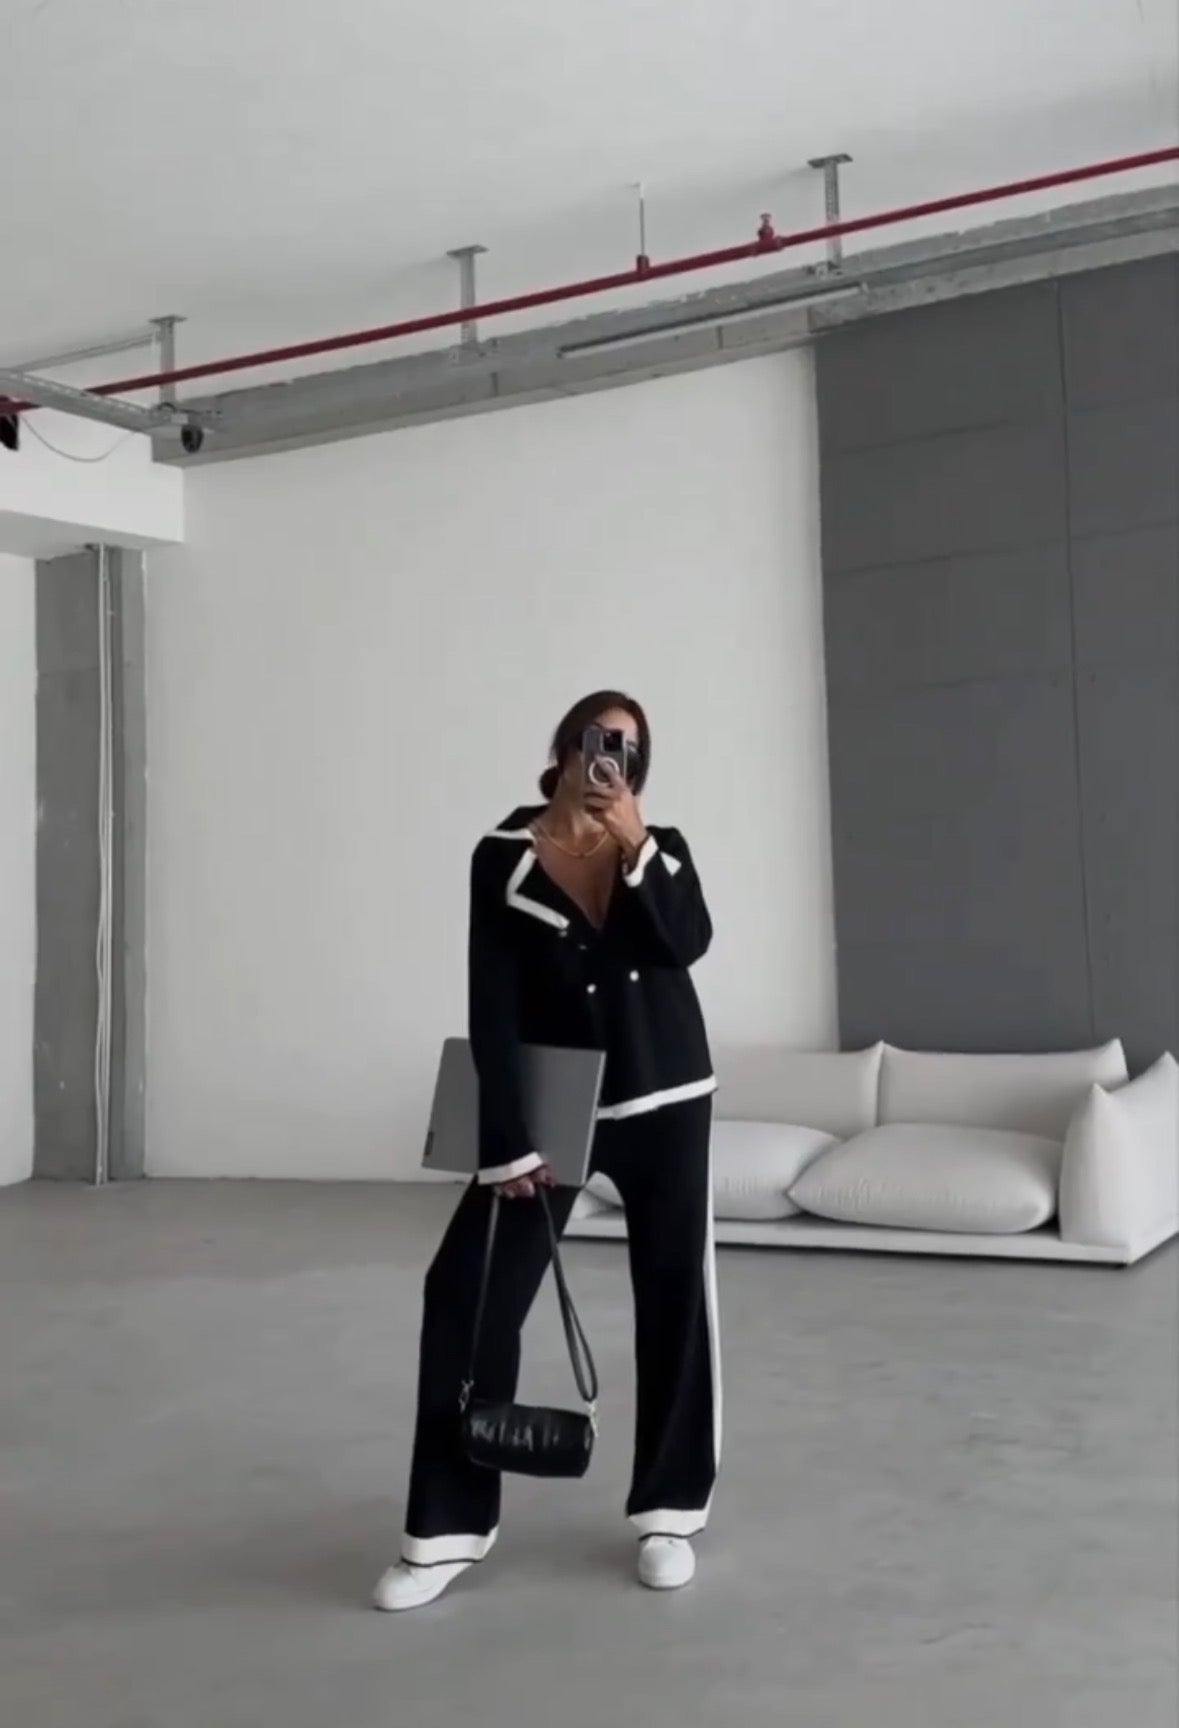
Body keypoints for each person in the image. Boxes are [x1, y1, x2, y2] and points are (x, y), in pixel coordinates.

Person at [374, 691, 719, 1612]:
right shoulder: (501, 854)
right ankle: (447, 1528)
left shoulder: (662, 847)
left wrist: (636, 845)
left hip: (669, 1096)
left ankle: (669, 1513)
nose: (612, 760)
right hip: (559, 1105)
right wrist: (507, 1142)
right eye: (601, 741)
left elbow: (686, 943)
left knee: (675, 1299)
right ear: (565, 747)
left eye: (631, 751)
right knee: (465, 1291)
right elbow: (491, 1003)